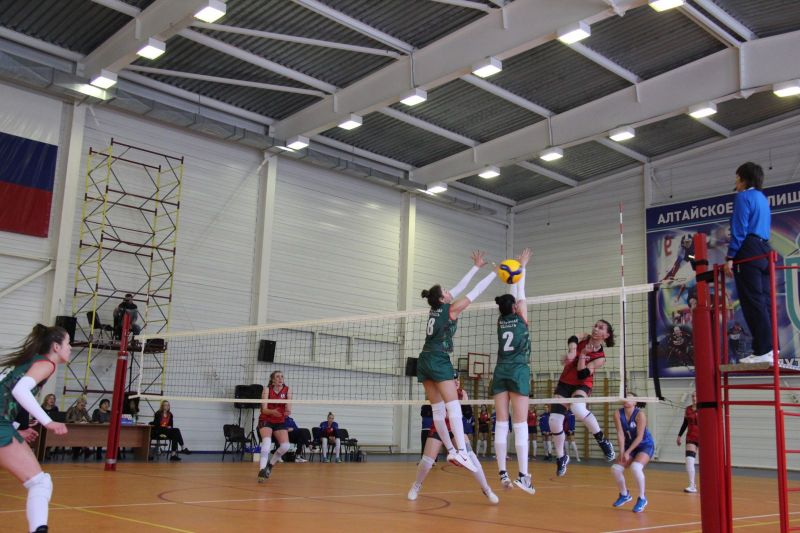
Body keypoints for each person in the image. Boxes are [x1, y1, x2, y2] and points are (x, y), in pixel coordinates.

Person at [418, 250, 497, 472]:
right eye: (446, 291)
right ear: (442, 298)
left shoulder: (435, 307)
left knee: (438, 412)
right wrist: (494, 273)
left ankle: (452, 450)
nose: (449, 291)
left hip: (424, 359)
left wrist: (476, 267)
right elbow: (474, 291)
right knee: (453, 407)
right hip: (438, 358)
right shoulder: (451, 310)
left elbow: (460, 286)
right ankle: (461, 451)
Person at [0, 323, 71, 533]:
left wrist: (15, 429)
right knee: (40, 483)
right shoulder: (46, 364)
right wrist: (48, 421)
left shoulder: (31, 363)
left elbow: (6, 395)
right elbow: (20, 391)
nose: (70, 348)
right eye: (68, 343)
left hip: (4, 425)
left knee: (40, 482)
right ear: (56, 347)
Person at [408, 376, 498, 505]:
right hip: (439, 427)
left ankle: (486, 490)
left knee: (471, 457)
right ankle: (416, 485)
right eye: (453, 379)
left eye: (458, 379)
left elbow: (468, 415)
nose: (456, 381)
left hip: (455, 429)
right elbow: (427, 411)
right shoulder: (437, 391)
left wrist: (465, 402)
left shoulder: (461, 394)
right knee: (427, 462)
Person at [491, 248, 535, 494]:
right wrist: (522, 266)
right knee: (519, 425)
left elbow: (513, 296)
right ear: (516, 308)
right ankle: (523, 476)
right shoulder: (521, 319)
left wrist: (510, 272)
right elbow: (521, 292)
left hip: (500, 370)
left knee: (501, 423)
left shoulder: (501, 321)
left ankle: (502, 473)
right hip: (518, 370)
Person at [549, 321, 617, 477]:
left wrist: (582, 356)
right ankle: (561, 457)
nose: (595, 329)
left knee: (578, 408)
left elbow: (582, 374)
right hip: (565, 382)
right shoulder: (584, 337)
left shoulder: (600, 358)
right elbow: (573, 337)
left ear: (606, 335)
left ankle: (601, 439)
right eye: (595, 326)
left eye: (600, 328)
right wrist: (572, 352)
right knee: (554, 421)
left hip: (582, 383)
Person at [724, 162, 774, 364]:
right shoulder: (762, 198)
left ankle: (763, 349)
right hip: (764, 250)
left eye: (737, 178)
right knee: (765, 301)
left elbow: (740, 228)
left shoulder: (742, 197)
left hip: (748, 249)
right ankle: (771, 348)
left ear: (743, 179)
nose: (735, 183)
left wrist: (730, 257)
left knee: (752, 301)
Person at [611, 394, 654, 513]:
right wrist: (622, 452)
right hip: (629, 445)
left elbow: (640, 437)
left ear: (635, 402)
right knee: (615, 469)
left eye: (630, 398)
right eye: (625, 397)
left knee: (635, 467)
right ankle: (624, 494)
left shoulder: (640, 415)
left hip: (645, 445)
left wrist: (628, 452)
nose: (626, 399)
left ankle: (642, 498)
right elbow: (620, 434)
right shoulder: (617, 413)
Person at [257, 370, 291, 481]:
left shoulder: (287, 390)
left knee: (285, 446)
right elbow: (264, 409)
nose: (280, 378)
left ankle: (270, 465)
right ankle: (262, 470)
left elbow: (288, 409)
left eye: (282, 376)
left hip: (279, 420)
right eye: (277, 377)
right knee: (267, 442)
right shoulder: (267, 390)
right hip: (266, 419)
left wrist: (287, 411)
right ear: (272, 380)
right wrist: (273, 412)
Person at [677, 391, 699, 493]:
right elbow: (685, 423)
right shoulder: (688, 409)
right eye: (693, 396)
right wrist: (679, 435)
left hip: (703, 438)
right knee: (689, 461)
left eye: (696, 396)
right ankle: (692, 485)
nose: (694, 398)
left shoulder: (704, 408)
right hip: (691, 437)